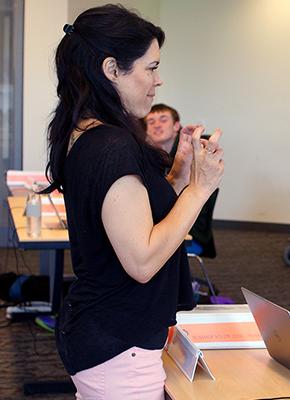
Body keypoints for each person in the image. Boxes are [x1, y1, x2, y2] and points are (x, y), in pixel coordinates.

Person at [44, 5, 224, 398]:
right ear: (111, 69)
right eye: (151, 68)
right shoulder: (111, 145)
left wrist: (177, 175)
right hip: (117, 338)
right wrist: (199, 189)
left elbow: (137, 218)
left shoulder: (90, 133)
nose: (158, 81)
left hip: (108, 331)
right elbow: (141, 261)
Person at [145, 103, 218, 258]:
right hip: (160, 222)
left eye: (163, 120)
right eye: (151, 122)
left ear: (176, 126)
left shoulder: (193, 154)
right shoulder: (147, 157)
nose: (157, 125)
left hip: (190, 230)